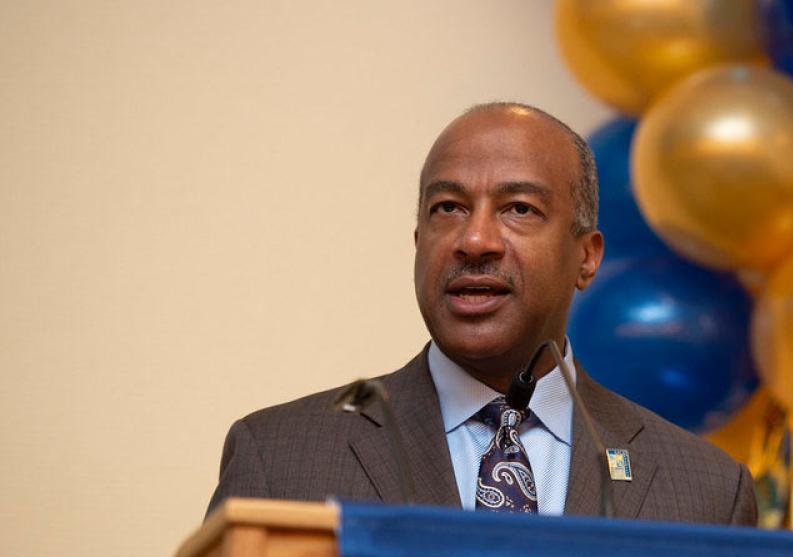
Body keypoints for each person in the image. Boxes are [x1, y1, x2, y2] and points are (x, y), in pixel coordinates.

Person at [207, 103, 756, 525]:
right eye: (448, 208)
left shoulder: (706, 492)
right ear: (419, 242)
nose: (474, 240)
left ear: (586, 257)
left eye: (519, 209)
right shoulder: (279, 461)